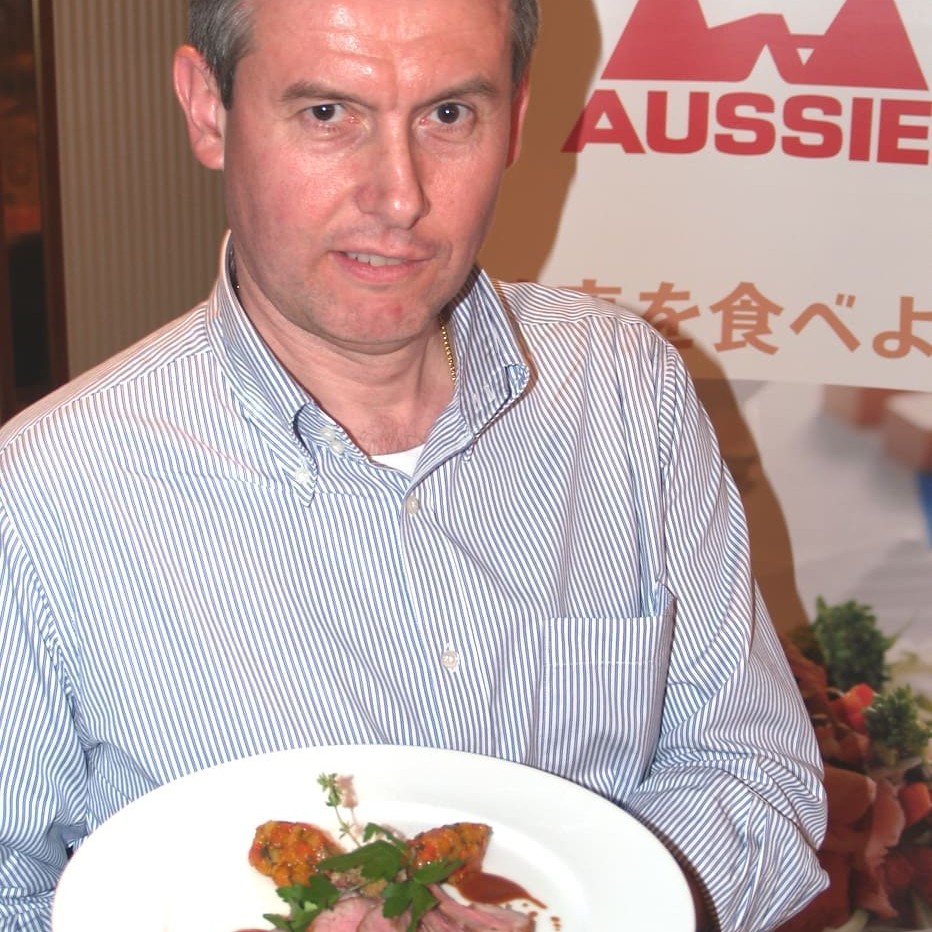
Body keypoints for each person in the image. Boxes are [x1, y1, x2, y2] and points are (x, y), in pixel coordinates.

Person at [0, 0, 828, 929]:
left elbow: (755, 773)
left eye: (447, 116)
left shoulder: (623, 390)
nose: (399, 196)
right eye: (327, 115)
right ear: (208, 108)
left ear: (515, 118)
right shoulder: (41, 497)